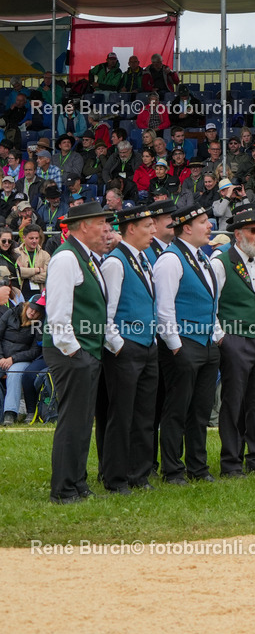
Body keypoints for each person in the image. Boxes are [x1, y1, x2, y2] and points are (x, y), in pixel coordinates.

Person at [43, 202, 114, 504]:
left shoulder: (83, 256)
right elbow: (58, 315)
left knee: (83, 421)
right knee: (73, 421)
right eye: (101, 224)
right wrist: (76, 353)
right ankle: (64, 488)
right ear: (84, 226)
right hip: (72, 352)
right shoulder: (67, 258)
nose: (106, 230)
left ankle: (77, 481)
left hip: (83, 350)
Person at [153, 204, 222, 485]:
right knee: (177, 409)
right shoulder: (170, 260)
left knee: (201, 410)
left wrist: (217, 336)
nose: (210, 226)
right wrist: (175, 344)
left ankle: (198, 466)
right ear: (187, 227)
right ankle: (172, 469)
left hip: (205, 343)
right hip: (183, 344)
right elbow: (164, 308)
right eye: (204, 222)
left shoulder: (202, 258)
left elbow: (210, 302)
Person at [209, 207, 255, 477]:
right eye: (254, 230)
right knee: (233, 402)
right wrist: (222, 338)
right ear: (238, 234)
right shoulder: (220, 262)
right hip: (235, 340)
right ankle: (231, 462)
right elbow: (211, 304)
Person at [99, 205, 160, 493]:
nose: (154, 231)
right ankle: (115, 477)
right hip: (126, 349)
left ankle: (139, 474)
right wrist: (119, 345)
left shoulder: (144, 259)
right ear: (131, 228)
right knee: (121, 415)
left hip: (147, 346)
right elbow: (106, 314)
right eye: (148, 226)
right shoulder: (115, 262)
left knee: (145, 415)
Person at [0, 293, 44, 426]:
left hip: (21, 359)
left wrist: (13, 359)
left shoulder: (38, 325)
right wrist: (1, 357)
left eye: (37, 311)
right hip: (2, 357)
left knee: (14, 373)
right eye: (32, 308)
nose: (33, 312)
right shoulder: (10, 314)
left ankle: (10, 413)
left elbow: (35, 351)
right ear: (26, 305)